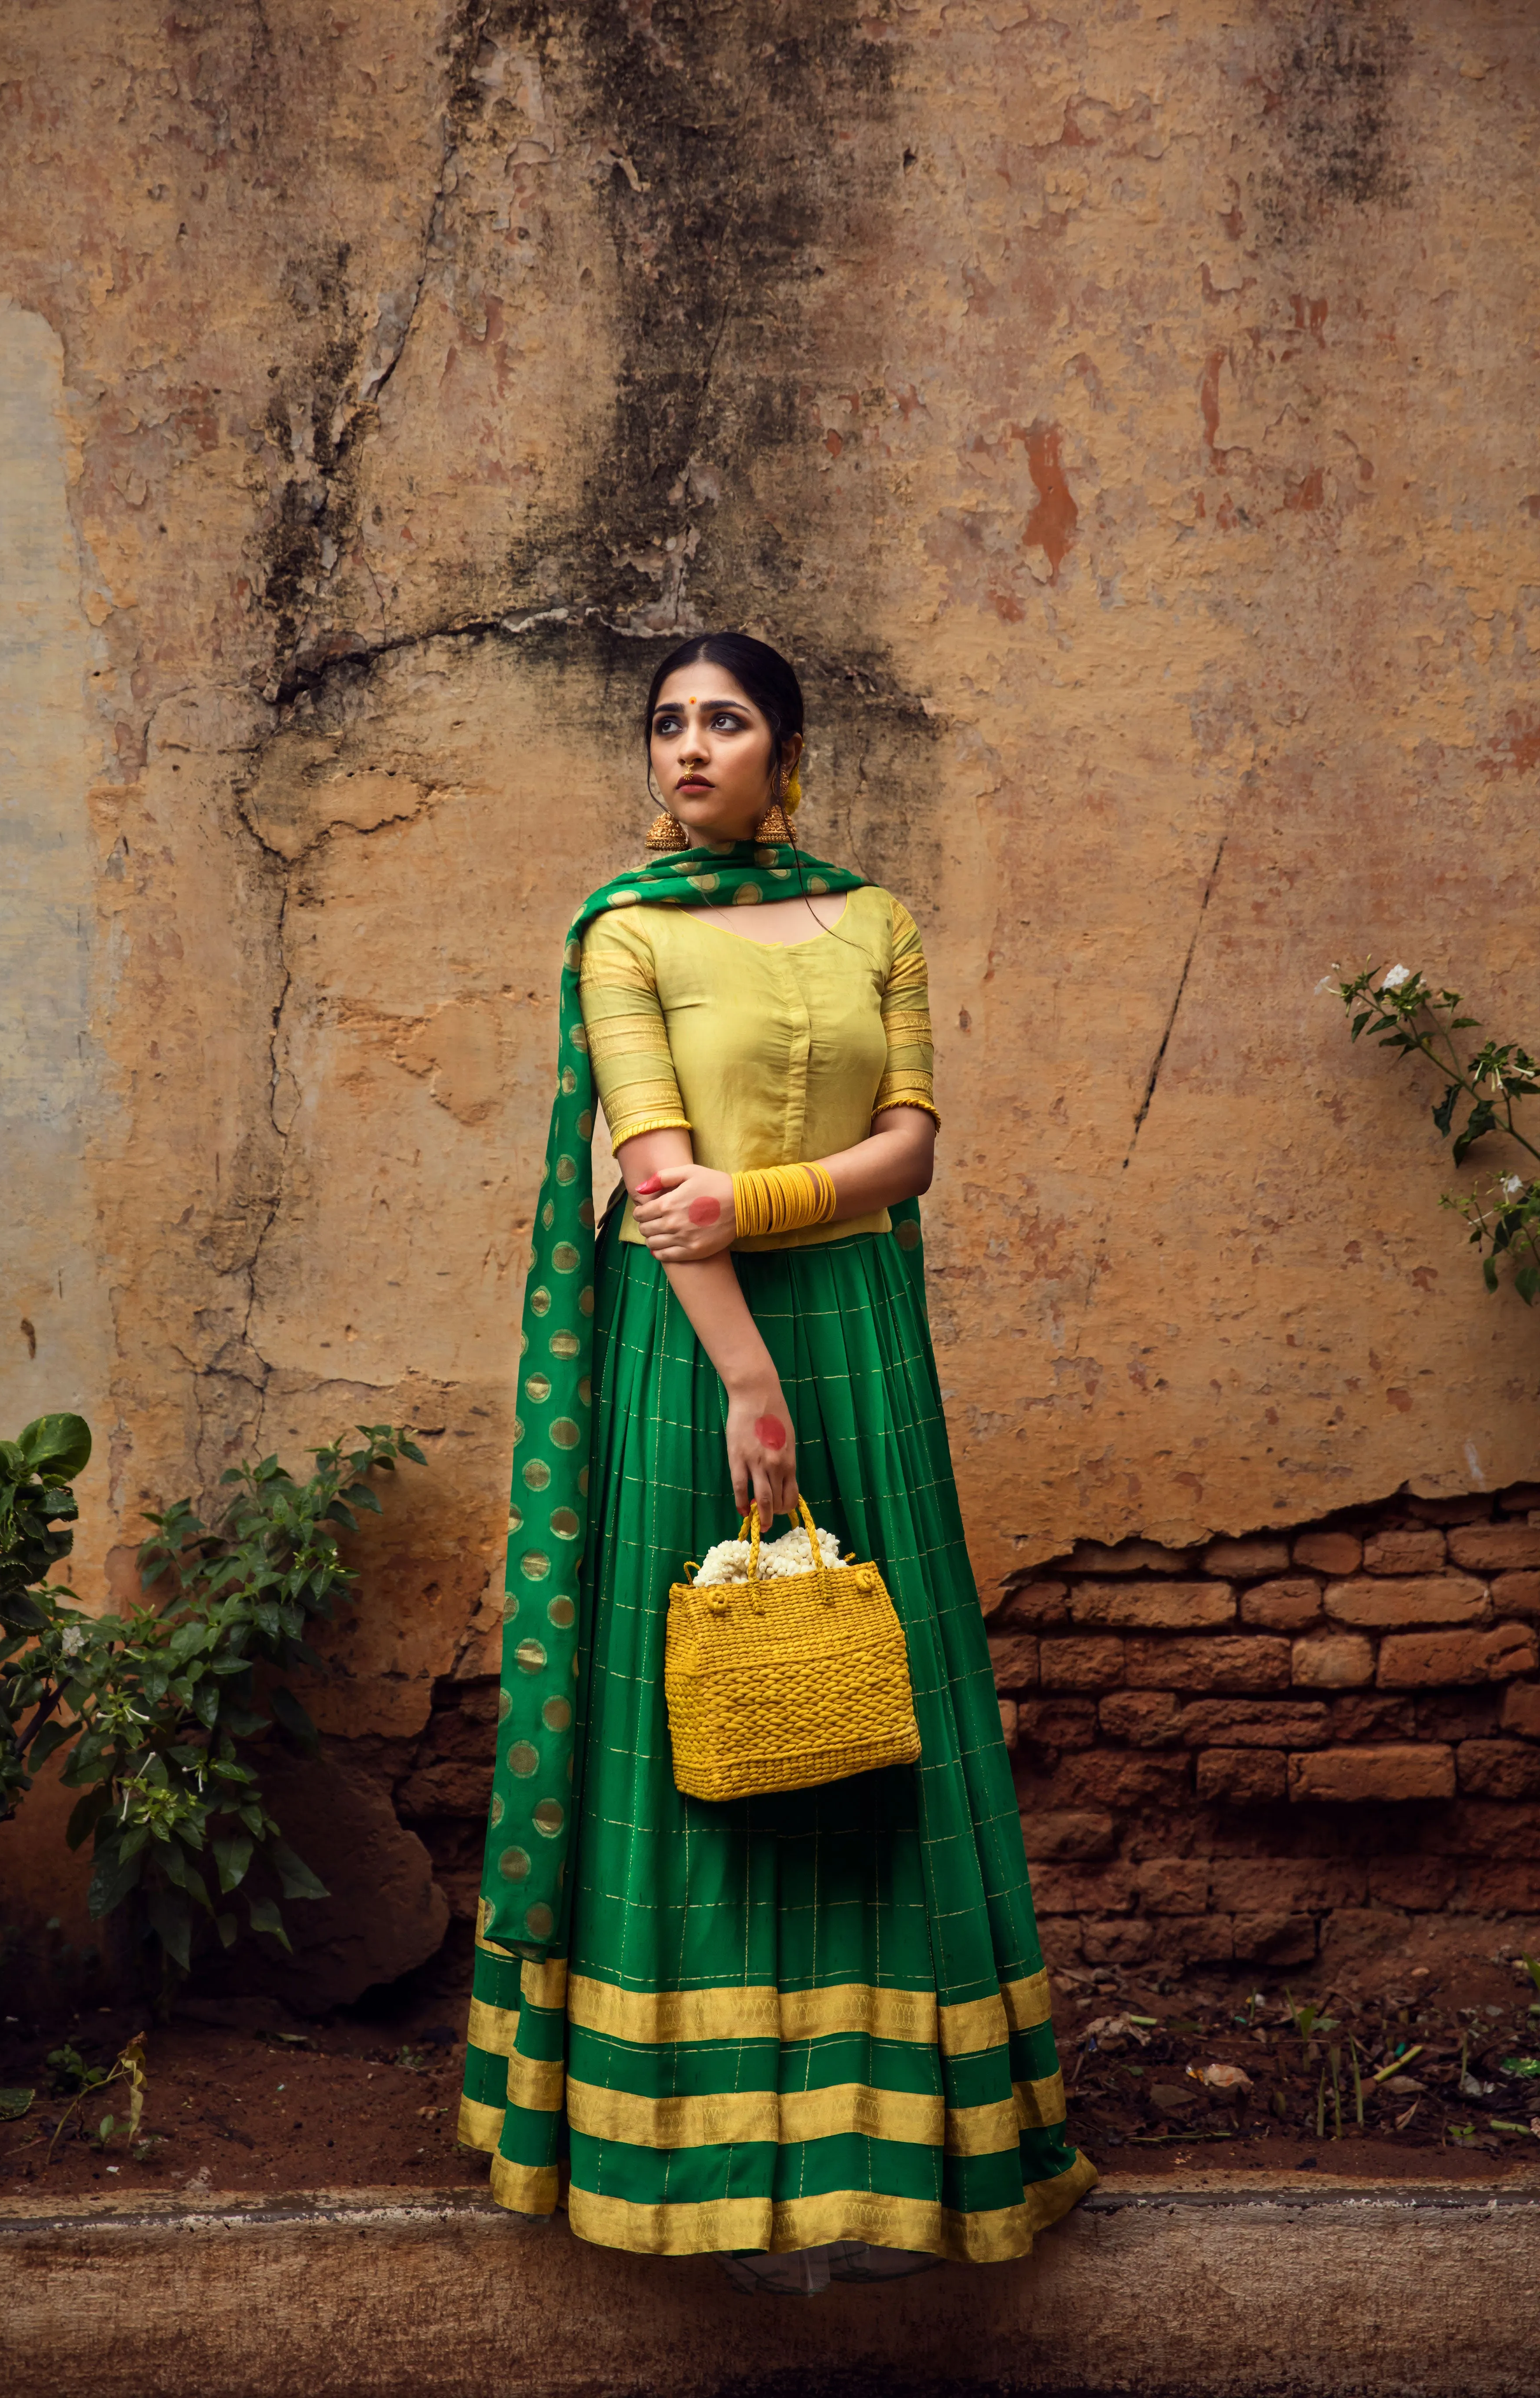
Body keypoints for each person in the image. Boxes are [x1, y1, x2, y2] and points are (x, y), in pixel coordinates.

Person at [459, 631, 1095, 2285]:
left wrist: (778, 1200)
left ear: (784, 750)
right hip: (699, 1353)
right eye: (665, 725)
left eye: (722, 722)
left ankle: (888, 2136)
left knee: (879, 1694)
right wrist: (747, 1376)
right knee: (704, 1704)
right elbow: (661, 1180)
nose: (688, 750)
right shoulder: (624, 932)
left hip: (866, 1346)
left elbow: (913, 1150)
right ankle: (681, 2137)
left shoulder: (875, 919)